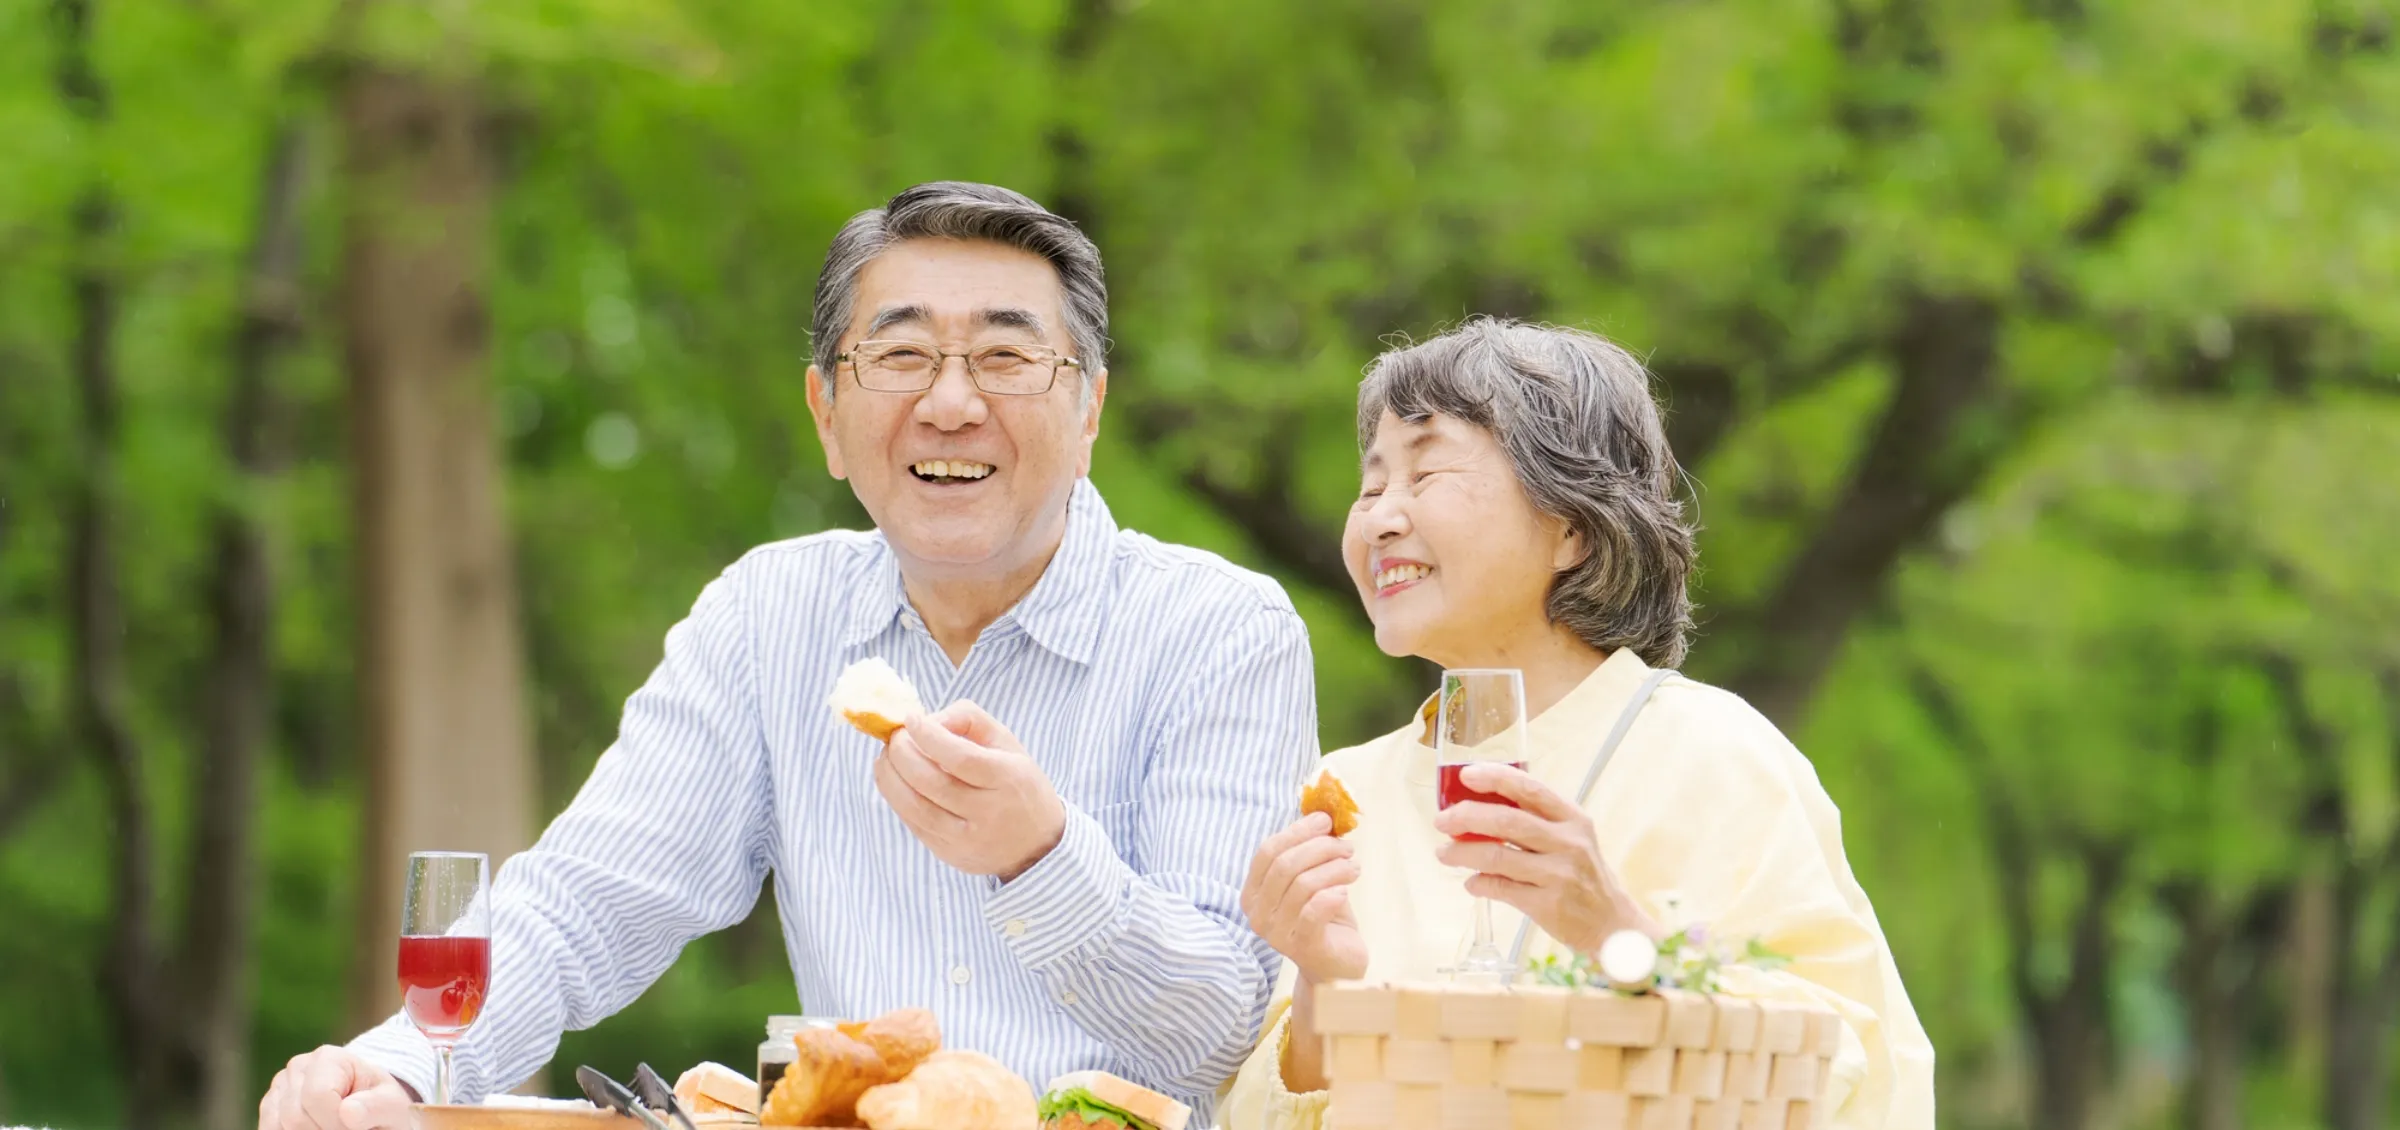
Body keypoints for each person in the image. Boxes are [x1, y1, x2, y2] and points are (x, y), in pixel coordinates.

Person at [258, 182, 1317, 1130]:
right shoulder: (772, 614)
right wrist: (395, 1068)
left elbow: (1222, 1028)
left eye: (1004, 355)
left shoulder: (1221, 629)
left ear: (1087, 407)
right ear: (826, 412)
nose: (951, 402)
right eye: (901, 355)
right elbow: (586, 899)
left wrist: (1039, 855)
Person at [1219, 319, 1936, 1128]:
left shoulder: (1716, 756)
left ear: (1573, 527)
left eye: (1426, 475)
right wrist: (1325, 987)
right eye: (1372, 483)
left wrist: (1617, 936)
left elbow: (1843, 1072)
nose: (1381, 517)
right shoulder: (1344, 787)